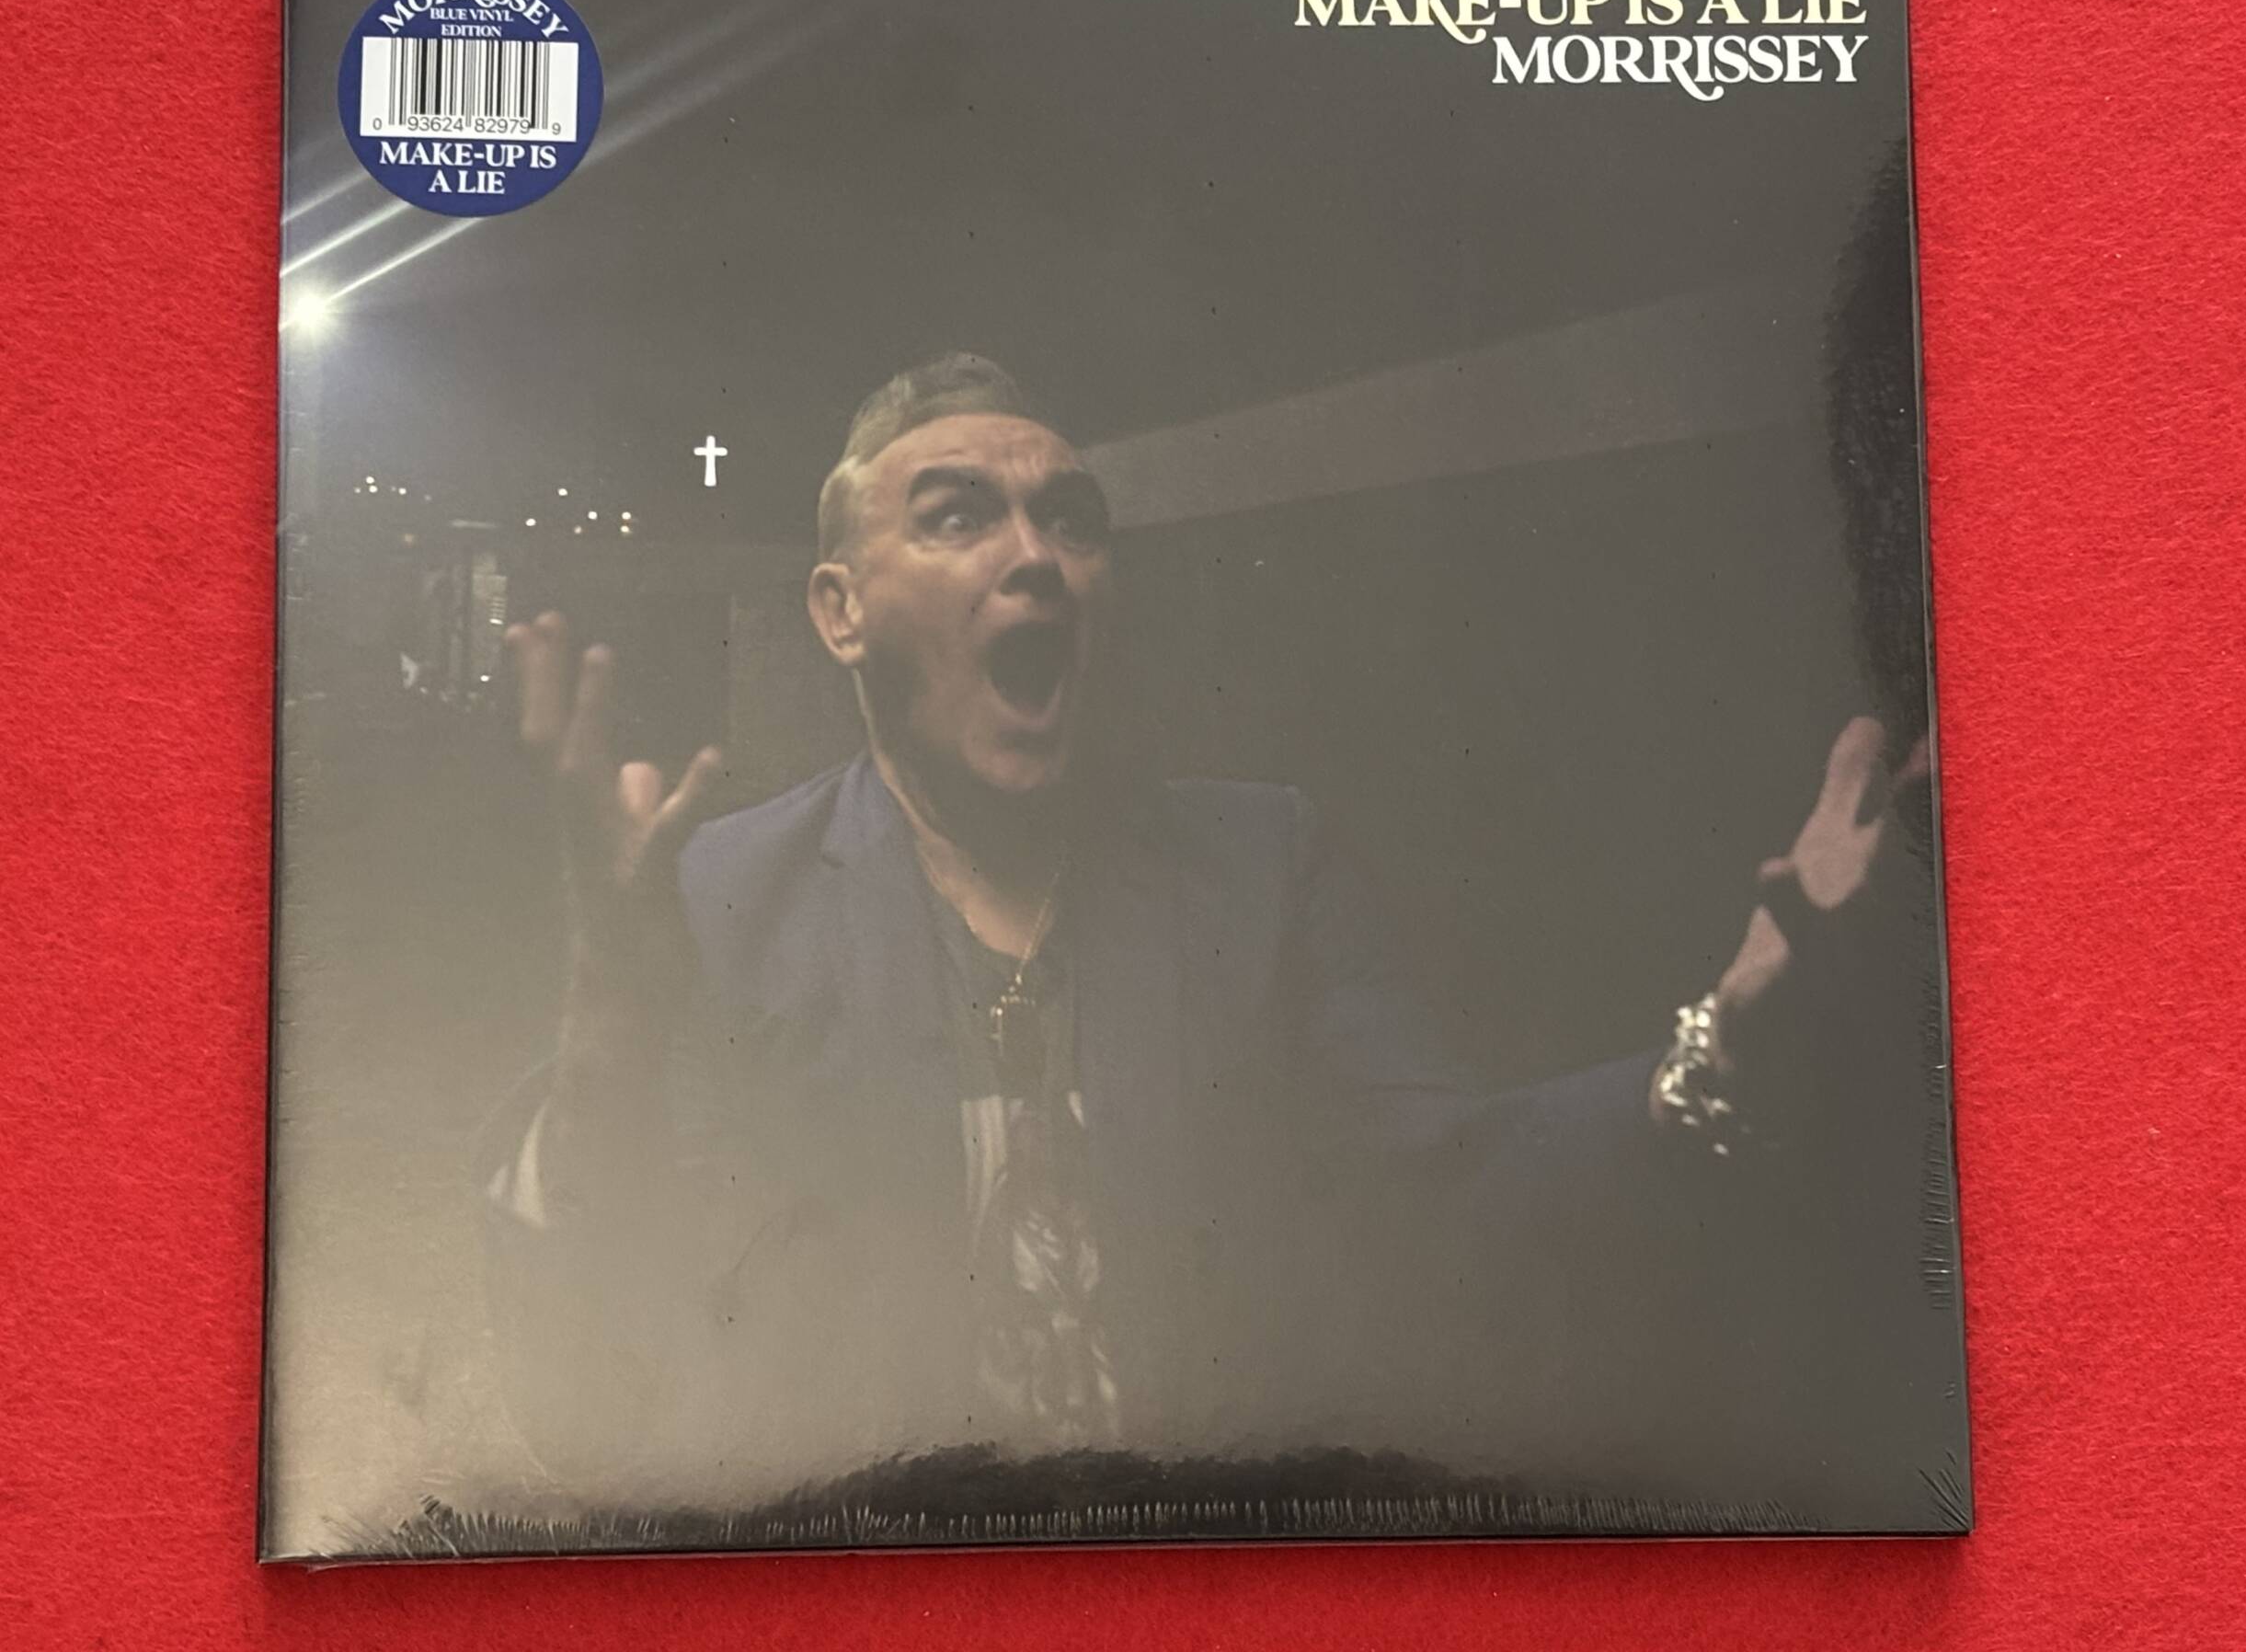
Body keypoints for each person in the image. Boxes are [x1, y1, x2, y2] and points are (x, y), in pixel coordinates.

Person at [481, 354, 1931, 1509]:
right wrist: (606, 1017)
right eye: (959, 516)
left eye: (1072, 519)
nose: (1039, 555)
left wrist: (1726, 1039)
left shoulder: (1260, 865)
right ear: (840, 611)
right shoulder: (715, 897)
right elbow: (583, 1401)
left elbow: (1448, 1196)